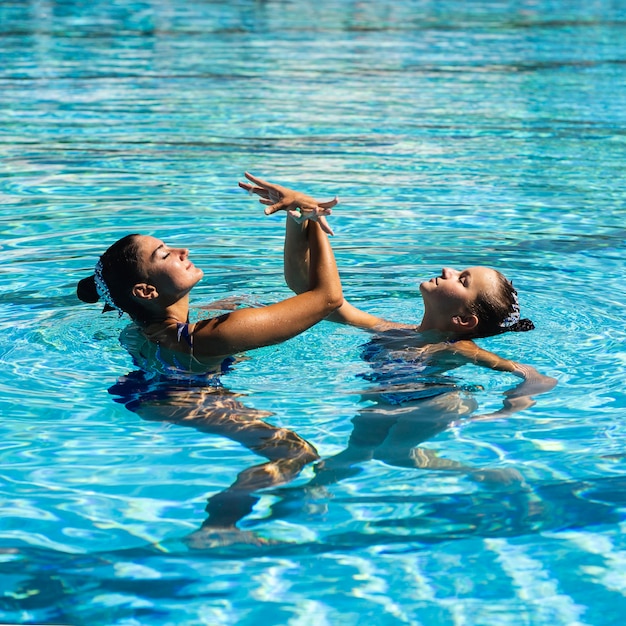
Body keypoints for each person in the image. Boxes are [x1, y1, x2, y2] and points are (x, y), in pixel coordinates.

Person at [240, 172, 557, 495]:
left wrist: (515, 401)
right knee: (354, 455)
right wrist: (299, 219)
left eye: (462, 280)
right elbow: (310, 294)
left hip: (433, 404)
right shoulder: (390, 330)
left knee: (393, 454)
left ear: (464, 320)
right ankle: (307, 496)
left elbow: (535, 376)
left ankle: (478, 472)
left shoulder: (457, 347)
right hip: (384, 397)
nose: (447, 270)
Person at [75, 174, 343, 542]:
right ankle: (219, 524)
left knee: (294, 453)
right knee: (296, 453)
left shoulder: (142, 326)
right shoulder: (212, 336)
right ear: (146, 290)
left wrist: (296, 216)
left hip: (149, 391)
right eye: (165, 255)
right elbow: (327, 298)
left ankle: (276, 509)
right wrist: (310, 214)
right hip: (185, 395)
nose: (182, 251)